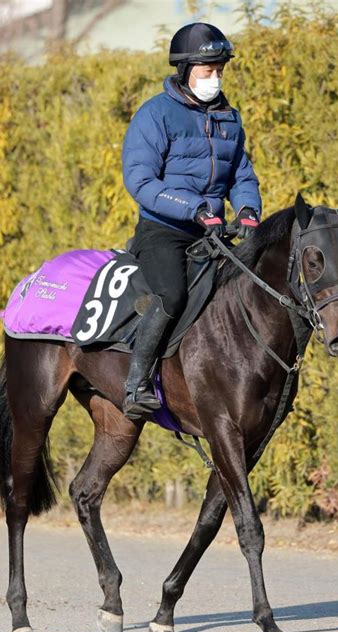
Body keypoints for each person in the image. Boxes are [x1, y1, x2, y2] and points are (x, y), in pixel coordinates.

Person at [121, 22, 262, 419]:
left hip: (212, 233)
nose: (215, 78)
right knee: (172, 295)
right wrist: (194, 208)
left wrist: (248, 210)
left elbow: (241, 175)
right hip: (163, 231)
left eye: (220, 70)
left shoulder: (229, 118)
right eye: (207, 71)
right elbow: (141, 181)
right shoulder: (155, 115)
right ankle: (135, 386)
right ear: (185, 72)